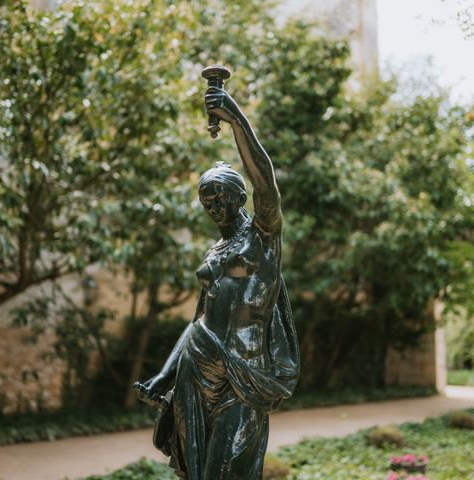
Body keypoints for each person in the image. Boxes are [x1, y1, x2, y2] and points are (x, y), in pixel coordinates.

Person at [135, 81, 300, 479]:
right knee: (196, 473)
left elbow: (268, 186)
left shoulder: (262, 240)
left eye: (219, 195)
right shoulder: (213, 252)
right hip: (197, 368)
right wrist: (165, 375)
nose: (213, 206)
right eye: (205, 199)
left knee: (223, 472)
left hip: (244, 376)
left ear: (239, 196)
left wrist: (236, 119)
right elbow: (198, 321)